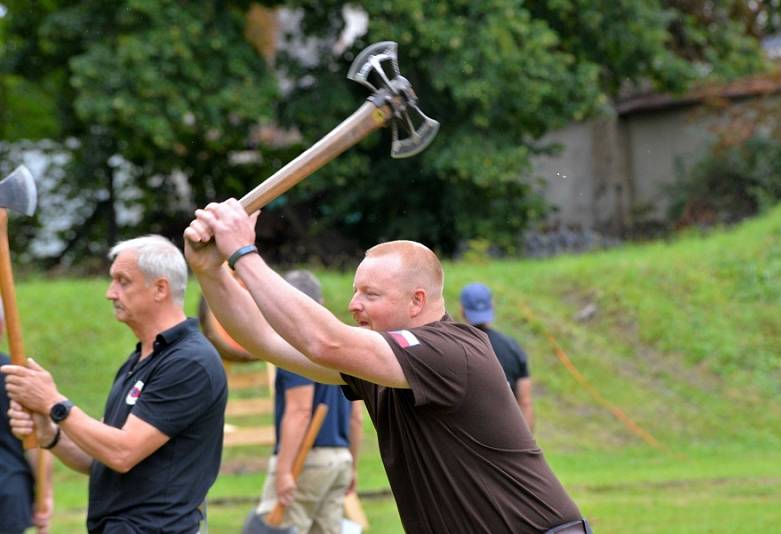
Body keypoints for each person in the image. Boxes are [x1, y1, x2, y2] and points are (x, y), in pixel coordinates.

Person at [184, 199, 591, 534]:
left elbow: (325, 341)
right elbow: (266, 340)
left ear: (417, 301)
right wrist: (212, 272)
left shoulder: (451, 351)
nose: (353, 304)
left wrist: (243, 253)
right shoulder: (381, 367)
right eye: (356, 290)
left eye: (370, 294)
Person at [1, 235, 228, 534]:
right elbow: (100, 457)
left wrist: (54, 404)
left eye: (123, 281)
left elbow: (123, 453)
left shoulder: (189, 363)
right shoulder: (140, 360)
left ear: (160, 288)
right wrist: (50, 434)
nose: (110, 293)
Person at [252, 269, 363, 534]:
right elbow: (356, 417)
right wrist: (351, 465)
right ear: (321, 304)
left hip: (306, 461)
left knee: (277, 530)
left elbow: (300, 411)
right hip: (339, 460)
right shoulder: (344, 345)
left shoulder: (295, 344)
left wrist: (284, 471)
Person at [0, 307, 53, 534]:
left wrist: (45, 495)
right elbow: (39, 441)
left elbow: (37, 436)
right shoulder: (17, 376)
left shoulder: (16, 379)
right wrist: (46, 493)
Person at [459, 282, 535, 431]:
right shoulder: (512, 347)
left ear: (462, 310)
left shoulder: (452, 347)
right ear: (492, 306)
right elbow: (525, 401)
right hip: (507, 437)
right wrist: (527, 446)